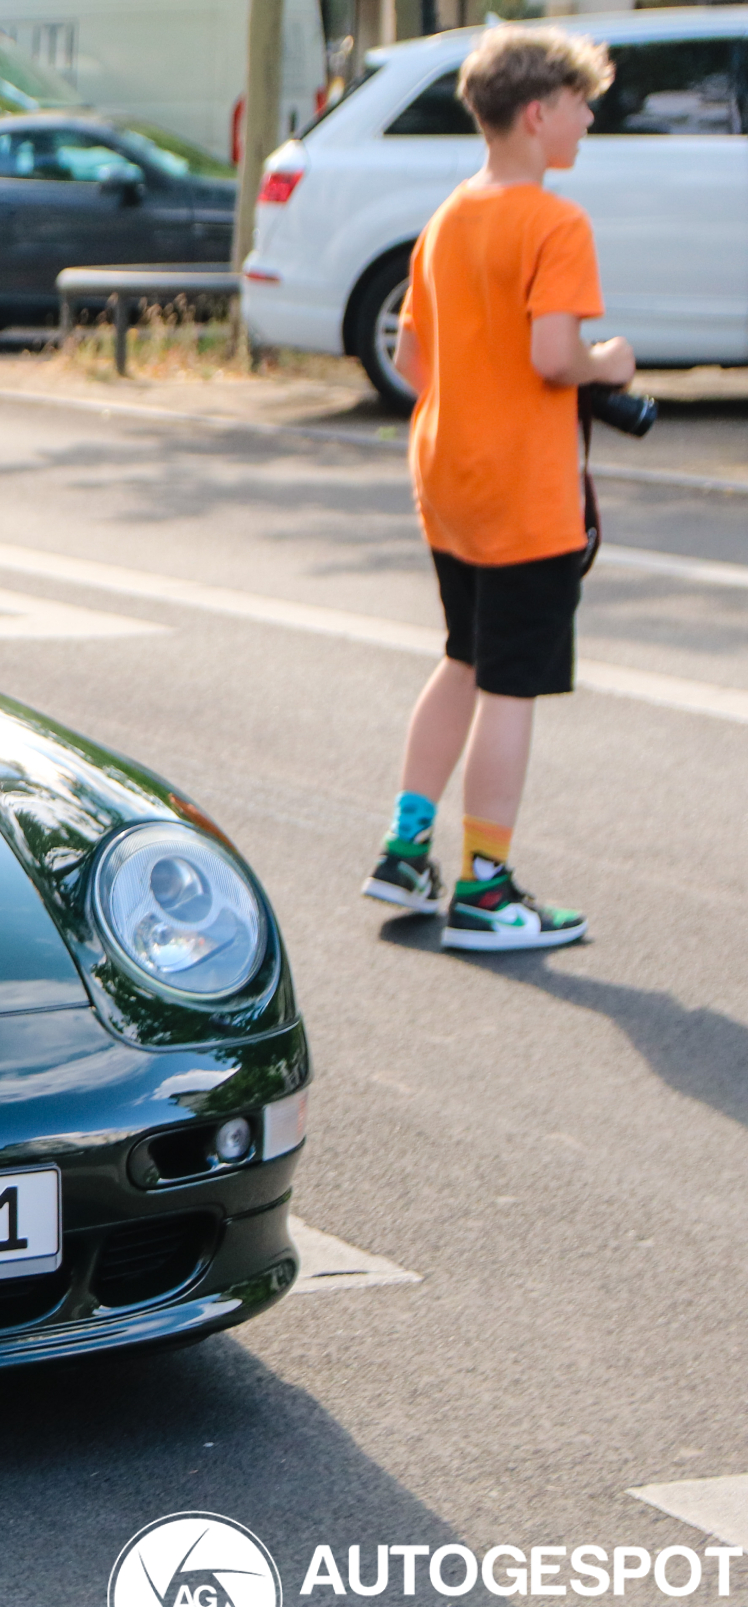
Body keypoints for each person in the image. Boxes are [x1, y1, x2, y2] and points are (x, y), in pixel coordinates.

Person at [362, 24, 628, 952]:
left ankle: (404, 847)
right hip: (523, 489)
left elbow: (410, 358)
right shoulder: (556, 223)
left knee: (463, 655)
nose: (590, 119)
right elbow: (555, 354)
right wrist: (610, 360)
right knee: (513, 682)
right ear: (536, 112)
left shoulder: (447, 217)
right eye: (581, 103)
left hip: (447, 475)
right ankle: (485, 887)